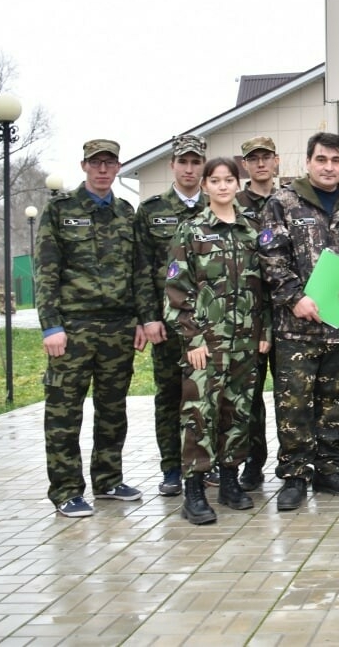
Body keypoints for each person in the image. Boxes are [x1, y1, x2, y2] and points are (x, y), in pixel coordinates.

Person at [36, 139, 150, 517]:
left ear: (118, 167)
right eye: (96, 163)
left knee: (112, 410)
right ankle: (67, 490)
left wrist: (139, 319)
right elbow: (46, 273)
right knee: (64, 412)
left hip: (118, 327)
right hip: (73, 329)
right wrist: (51, 325)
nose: (103, 170)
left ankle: (108, 480)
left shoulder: (125, 212)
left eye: (110, 163)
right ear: (84, 166)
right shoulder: (60, 210)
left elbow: (138, 271)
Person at [259, 132, 339, 511]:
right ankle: (294, 475)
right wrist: (295, 297)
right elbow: (270, 257)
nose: (328, 167)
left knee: (336, 402)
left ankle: (327, 468)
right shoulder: (282, 203)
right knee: (294, 404)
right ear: (308, 162)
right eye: (321, 159)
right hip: (297, 328)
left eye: (335, 160)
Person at [164, 157, 271, 524]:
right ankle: (193, 491)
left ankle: (230, 481)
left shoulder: (252, 231)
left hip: (245, 344)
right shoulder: (191, 231)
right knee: (199, 415)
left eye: (229, 180)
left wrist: (265, 332)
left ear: (237, 185)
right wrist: (192, 339)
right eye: (216, 180)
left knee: (238, 413)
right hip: (206, 346)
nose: (223, 186)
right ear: (206, 186)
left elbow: (266, 288)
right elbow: (177, 291)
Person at [135, 133, 208, 498]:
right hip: (166, 325)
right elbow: (141, 269)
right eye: (184, 162)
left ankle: (205, 463)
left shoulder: (217, 206)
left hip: (209, 324)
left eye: (196, 162)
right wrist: (148, 319)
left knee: (207, 395)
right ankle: (172, 468)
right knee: (169, 396)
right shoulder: (151, 211)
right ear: (172, 165)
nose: (190, 169)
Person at [236, 136, 280, 491]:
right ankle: (253, 461)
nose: (261, 164)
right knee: (249, 396)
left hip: (287, 309)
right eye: (254, 159)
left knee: (292, 392)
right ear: (245, 164)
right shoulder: (233, 204)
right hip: (248, 314)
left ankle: (295, 459)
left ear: (276, 161)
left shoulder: (290, 200)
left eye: (266, 157)